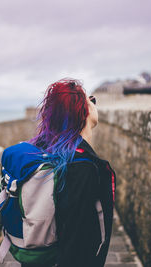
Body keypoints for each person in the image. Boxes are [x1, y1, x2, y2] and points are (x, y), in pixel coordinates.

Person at [25, 78, 117, 267]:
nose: (93, 103)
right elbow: (77, 242)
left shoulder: (48, 153)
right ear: (81, 111)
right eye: (90, 100)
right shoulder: (81, 168)